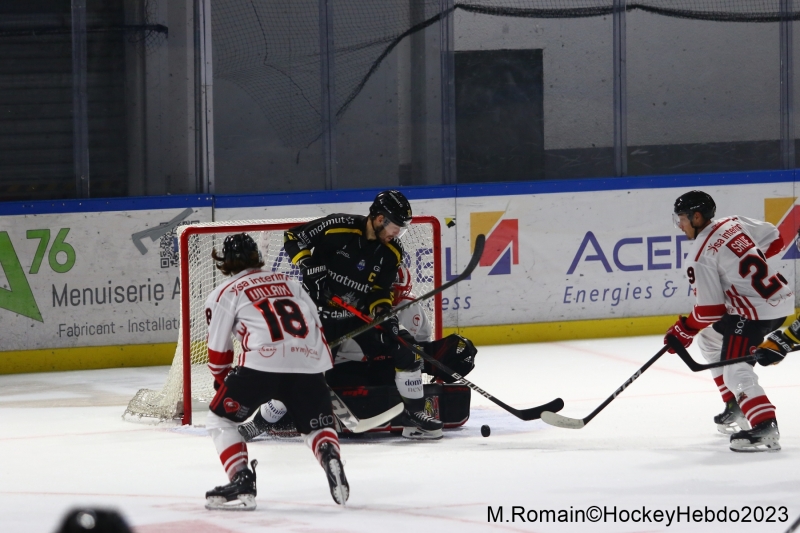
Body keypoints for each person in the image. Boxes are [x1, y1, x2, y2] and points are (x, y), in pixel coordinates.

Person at [237, 264, 477, 440]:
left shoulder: (411, 308)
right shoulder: (351, 309)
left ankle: (414, 417)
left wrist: (440, 361)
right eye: (390, 293)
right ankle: (261, 422)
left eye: (397, 294)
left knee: (442, 352)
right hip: (346, 371)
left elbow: (420, 350)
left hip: (389, 369)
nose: (393, 299)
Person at [282, 190, 444, 440]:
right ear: (380, 219)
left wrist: (384, 315)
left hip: (355, 317)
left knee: (403, 347)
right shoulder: (337, 226)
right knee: (303, 371)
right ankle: (264, 419)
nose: (397, 235)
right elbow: (293, 236)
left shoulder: (392, 253)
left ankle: (414, 416)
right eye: (396, 228)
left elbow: (380, 291)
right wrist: (306, 263)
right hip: (318, 315)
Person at [203, 233, 348, 510]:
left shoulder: (225, 291)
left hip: (261, 364)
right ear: (258, 256)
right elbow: (316, 327)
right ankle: (329, 454)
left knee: (220, 420)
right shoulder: (289, 282)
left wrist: (222, 382)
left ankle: (242, 480)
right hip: (309, 362)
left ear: (225, 262)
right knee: (317, 427)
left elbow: (219, 352)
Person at [664, 190, 792, 452]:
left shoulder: (699, 256)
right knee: (711, 339)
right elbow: (776, 239)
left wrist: (684, 330)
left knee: (736, 369)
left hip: (753, 313)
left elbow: (711, 310)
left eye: (682, 219)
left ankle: (765, 425)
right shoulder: (733, 222)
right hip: (778, 299)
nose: (680, 225)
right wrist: (738, 272)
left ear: (696, 216)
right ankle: (735, 405)